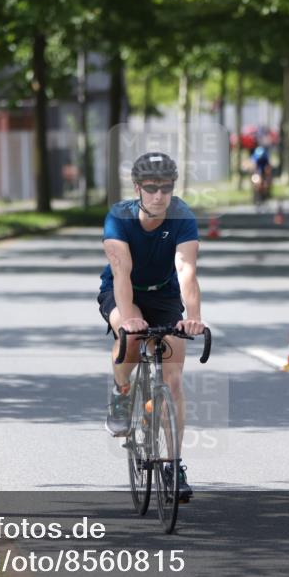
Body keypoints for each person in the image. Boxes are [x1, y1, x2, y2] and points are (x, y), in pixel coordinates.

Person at [98, 152, 205, 501]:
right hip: (121, 291)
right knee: (130, 337)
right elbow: (121, 272)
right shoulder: (119, 218)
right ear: (137, 188)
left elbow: (186, 270)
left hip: (164, 296)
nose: (159, 196)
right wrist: (129, 316)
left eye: (166, 188)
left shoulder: (182, 216)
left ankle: (174, 465)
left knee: (173, 380)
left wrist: (192, 316)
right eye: (151, 188)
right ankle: (120, 391)